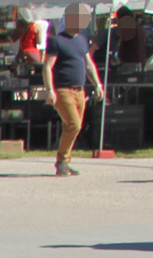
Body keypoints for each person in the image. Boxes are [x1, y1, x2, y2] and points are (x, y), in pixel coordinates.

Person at [43, 2, 105, 177]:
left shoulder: (81, 40)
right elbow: (47, 66)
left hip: (80, 90)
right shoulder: (56, 41)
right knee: (74, 124)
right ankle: (61, 161)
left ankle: (66, 162)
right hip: (63, 90)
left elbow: (89, 64)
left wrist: (98, 84)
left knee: (72, 127)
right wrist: (50, 90)